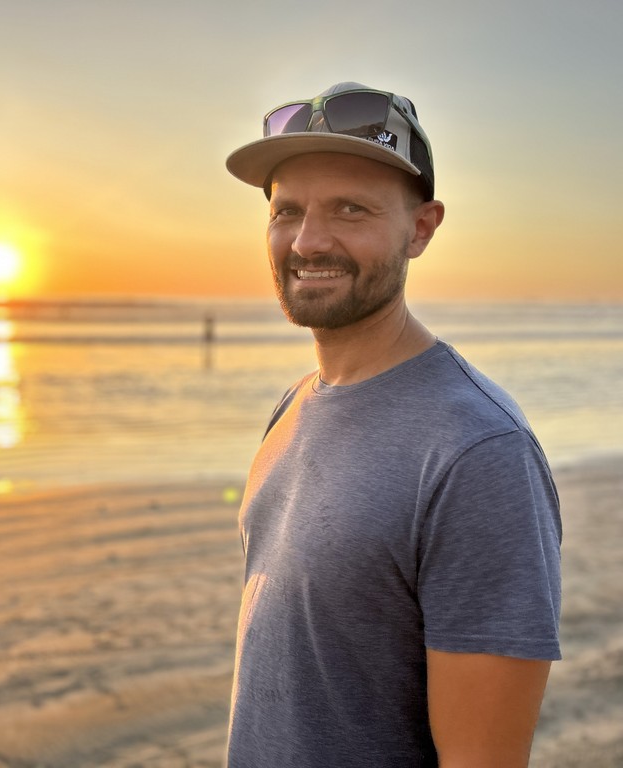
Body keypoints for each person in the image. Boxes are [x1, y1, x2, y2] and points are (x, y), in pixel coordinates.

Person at [223, 82, 562, 767]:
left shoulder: (478, 452)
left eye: (350, 209)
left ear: (421, 228)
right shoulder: (293, 406)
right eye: (288, 210)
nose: (309, 239)